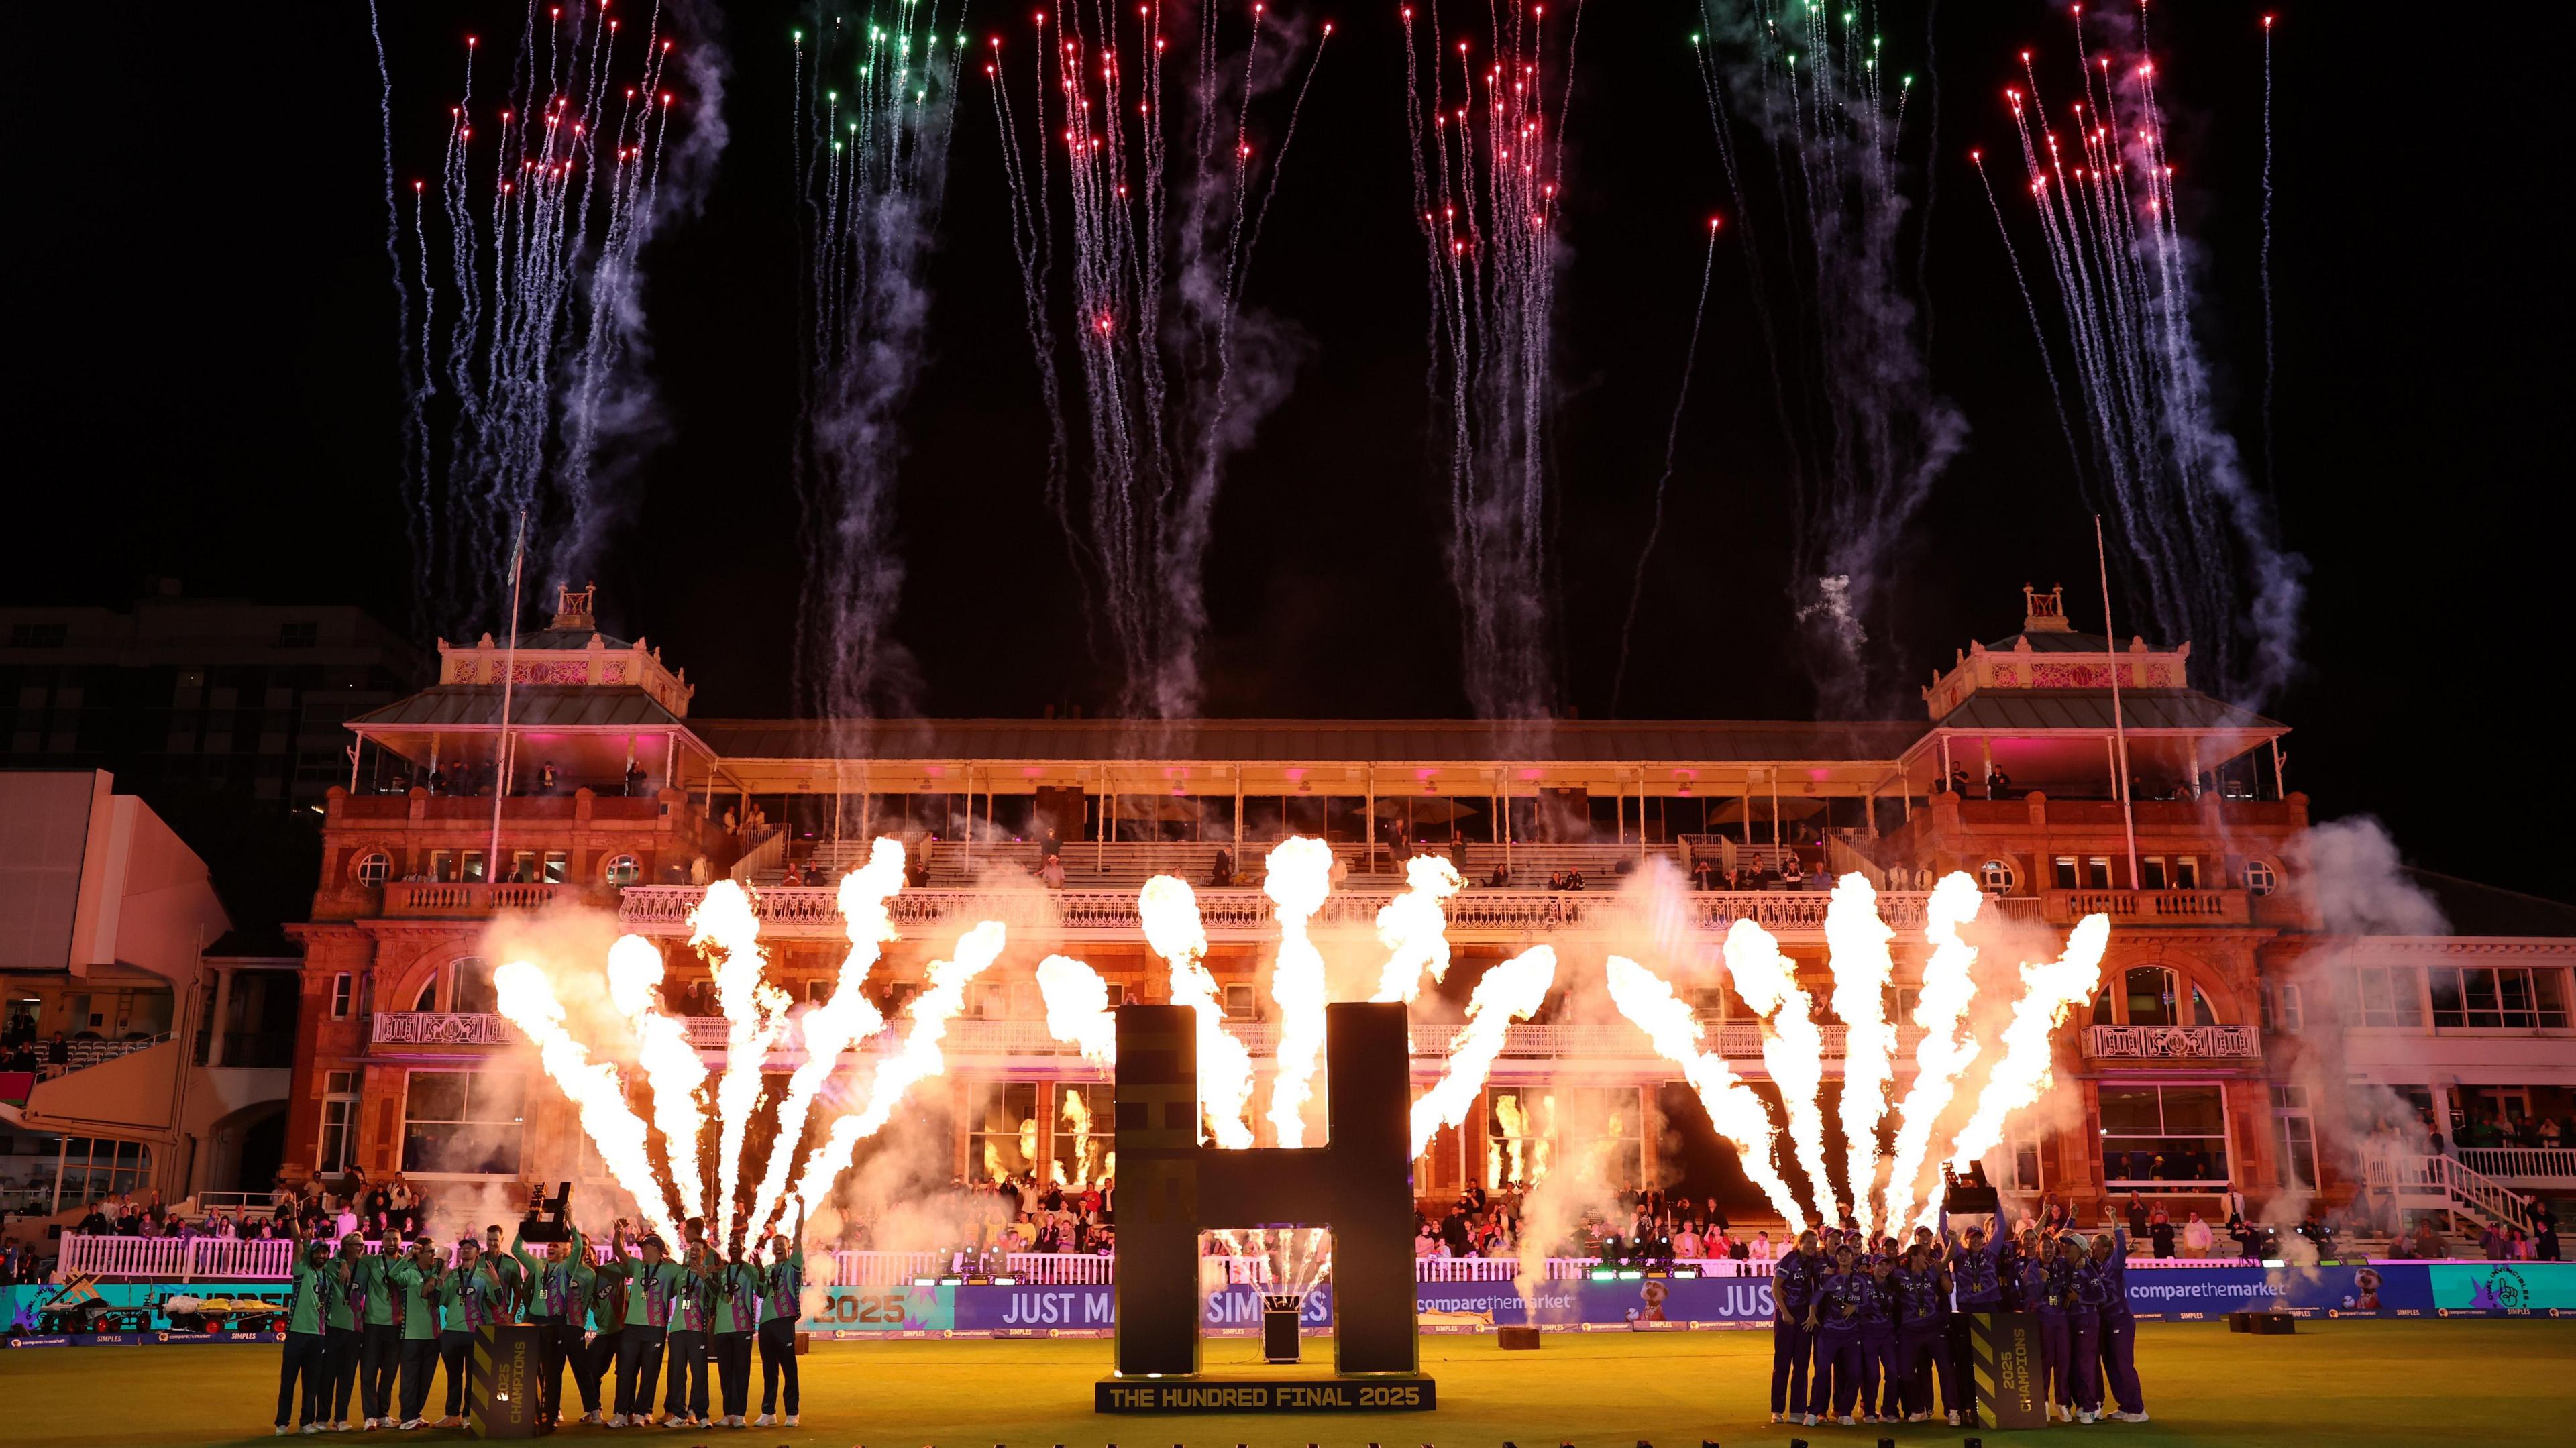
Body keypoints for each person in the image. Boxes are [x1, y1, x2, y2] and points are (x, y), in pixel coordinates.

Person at [605, 1223, 687, 1426]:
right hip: (632, 1327)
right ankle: (621, 1413)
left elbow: (687, 1274)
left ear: (656, 1249)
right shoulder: (636, 1266)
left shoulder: (671, 1269)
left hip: (656, 1328)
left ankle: (642, 1413)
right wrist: (618, 1232)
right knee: (625, 1370)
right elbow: (618, 1250)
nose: (641, 1250)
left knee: (650, 1373)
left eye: (646, 1247)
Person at [515, 1218, 590, 1426]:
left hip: (557, 1323)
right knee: (531, 1368)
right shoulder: (539, 1266)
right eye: (549, 1244)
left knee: (553, 1370)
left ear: (566, 1250)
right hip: (536, 1322)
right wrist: (528, 1225)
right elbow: (516, 1249)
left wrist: (572, 1221)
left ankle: (553, 1412)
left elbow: (580, 1246)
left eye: (556, 1244)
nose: (551, 1246)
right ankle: (532, 1411)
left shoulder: (567, 1267)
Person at [431, 1239, 507, 1429]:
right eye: (463, 1247)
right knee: (453, 1377)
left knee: (474, 1377)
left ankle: (469, 1415)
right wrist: (441, 1278)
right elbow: (440, 1300)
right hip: (452, 1332)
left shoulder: (484, 1275)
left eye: (469, 1247)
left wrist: (496, 1281)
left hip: (475, 1332)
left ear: (477, 1252)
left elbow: (497, 1301)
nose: (465, 1249)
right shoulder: (452, 1275)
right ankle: (451, 1415)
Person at [274, 1231, 335, 1435]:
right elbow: (297, 1243)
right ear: (311, 1254)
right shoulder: (302, 1270)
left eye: (325, 1253)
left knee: (311, 1384)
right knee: (288, 1382)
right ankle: (282, 1423)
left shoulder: (328, 1276)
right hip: (296, 1334)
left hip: (318, 1336)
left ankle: (306, 1422)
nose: (322, 1256)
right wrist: (294, 1219)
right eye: (318, 1252)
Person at [1804, 1243, 1867, 1426]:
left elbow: (1868, 1305)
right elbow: (1817, 1296)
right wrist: (1812, 1314)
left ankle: (1845, 1412)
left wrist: (1856, 1307)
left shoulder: (1861, 1280)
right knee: (1822, 1373)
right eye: (1841, 1254)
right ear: (1837, 1258)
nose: (1845, 1256)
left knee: (1855, 1374)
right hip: (1829, 1333)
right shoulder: (1833, 1279)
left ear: (1853, 1257)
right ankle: (1814, 1412)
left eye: (1848, 1253)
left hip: (1851, 1335)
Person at [2018, 1229, 2078, 1422]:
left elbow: (2076, 1257)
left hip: (2061, 1317)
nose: (2049, 1251)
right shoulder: (2032, 1268)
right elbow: (2032, 1295)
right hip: (2043, 1318)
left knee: (2064, 1361)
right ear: (2038, 1249)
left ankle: (2062, 1403)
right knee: (2045, 1362)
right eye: (2045, 1248)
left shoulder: (2061, 1264)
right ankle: (2042, 1402)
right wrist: (2042, 1282)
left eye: (2051, 1247)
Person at [756, 1202, 807, 1427]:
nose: (777, 1248)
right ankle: (768, 1412)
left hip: (784, 1321)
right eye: (775, 1245)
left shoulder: (793, 1264)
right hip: (766, 1323)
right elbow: (760, 1292)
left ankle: (792, 1413)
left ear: (788, 1248)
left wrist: (802, 1208)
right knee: (769, 1370)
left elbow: (798, 1232)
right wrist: (759, 1272)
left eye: (781, 1245)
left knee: (789, 1368)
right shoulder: (769, 1269)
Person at [2090, 1227, 2147, 1422]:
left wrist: (2115, 1221)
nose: (2092, 1248)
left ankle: (2138, 1410)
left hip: (2120, 1319)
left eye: (2095, 1245)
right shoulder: (2095, 1267)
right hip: (2106, 1322)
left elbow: (2120, 1246)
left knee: (2123, 1365)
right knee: (2112, 1366)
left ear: (2106, 1248)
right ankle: (2125, 1405)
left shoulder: (2113, 1264)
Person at [1767, 1229, 1822, 1425]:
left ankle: (1798, 1411)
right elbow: (1775, 1287)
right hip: (1787, 1317)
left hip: (1804, 1319)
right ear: (1800, 1243)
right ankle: (1778, 1410)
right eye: (1808, 1243)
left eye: (1814, 1244)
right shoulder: (1789, 1260)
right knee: (1782, 1364)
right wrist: (1785, 1313)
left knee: (1801, 1365)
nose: (1811, 1247)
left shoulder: (1813, 1262)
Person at [387, 1238, 443, 1430]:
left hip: (433, 1335)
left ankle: (415, 1414)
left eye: (434, 1252)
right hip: (412, 1334)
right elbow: (393, 1275)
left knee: (425, 1379)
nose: (433, 1255)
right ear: (419, 1253)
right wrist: (408, 1256)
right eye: (430, 1252)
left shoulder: (437, 1274)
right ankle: (407, 1417)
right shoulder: (410, 1273)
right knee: (410, 1379)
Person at [663, 1240, 717, 1429]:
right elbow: (668, 1293)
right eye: (691, 1249)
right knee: (677, 1375)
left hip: (697, 1330)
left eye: (698, 1250)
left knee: (700, 1374)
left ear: (704, 1255)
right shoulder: (679, 1274)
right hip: (677, 1329)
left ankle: (702, 1415)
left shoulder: (708, 1274)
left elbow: (717, 1295)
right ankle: (679, 1414)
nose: (693, 1252)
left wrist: (705, 1277)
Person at [710, 1240, 764, 1428]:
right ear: (728, 1249)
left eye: (738, 1246)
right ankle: (728, 1414)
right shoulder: (722, 1269)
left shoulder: (750, 1269)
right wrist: (714, 1274)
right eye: (731, 1245)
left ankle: (740, 1414)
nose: (734, 1248)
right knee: (725, 1373)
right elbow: (714, 1292)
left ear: (743, 1249)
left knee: (741, 1371)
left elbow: (762, 1291)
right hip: (722, 1328)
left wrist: (761, 1271)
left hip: (742, 1327)